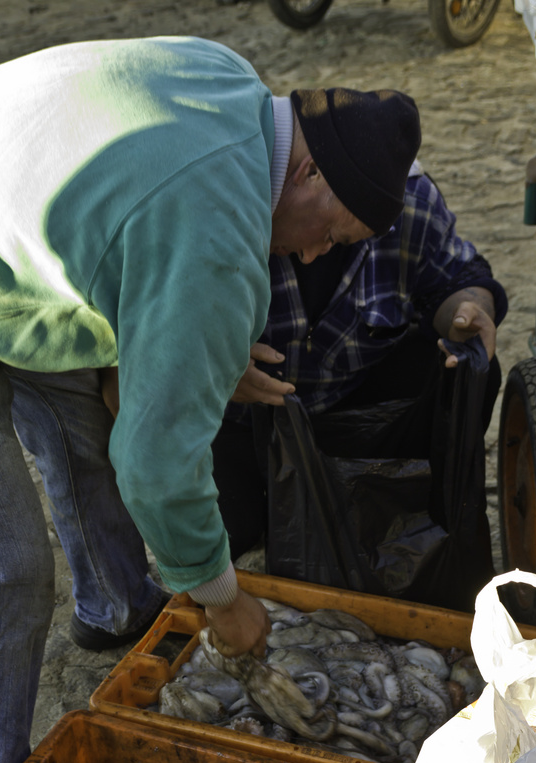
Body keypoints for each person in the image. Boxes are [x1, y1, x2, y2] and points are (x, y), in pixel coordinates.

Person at [0, 36, 422, 763]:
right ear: (310, 173)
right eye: (334, 235)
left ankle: (114, 606)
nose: (314, 253)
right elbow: (160, 467)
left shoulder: (232, 82)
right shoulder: (218, 238)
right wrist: (224, 599)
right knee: (5, 561)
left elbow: (146, 240)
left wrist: (190, 348)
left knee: (90, 435)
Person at [211, 146, 508, 566]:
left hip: (349, 402)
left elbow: (460, 277)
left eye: (339, 240)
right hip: (244, 421)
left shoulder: (409, 200)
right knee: (227, 542)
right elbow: (152, 339)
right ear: (308, 176)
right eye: (324, 230)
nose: (313, 255)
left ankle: (418, 514)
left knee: (469, 364)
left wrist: (468, 310)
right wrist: (212, 366)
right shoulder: (222, 204)